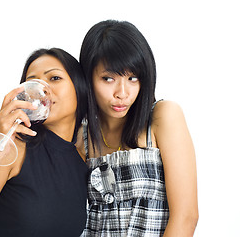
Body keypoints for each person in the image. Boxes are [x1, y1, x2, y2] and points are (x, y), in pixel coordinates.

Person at [77, 20, 198, 236]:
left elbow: (186, 216)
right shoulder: (81, 135)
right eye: (108, 78)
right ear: (88, 78)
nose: (122, 93)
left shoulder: (163, 117)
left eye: (133, 78)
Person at [0, 48, 89, 237]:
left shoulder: (83, 158)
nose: (42, 89)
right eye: (32, 82)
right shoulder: (13, 146)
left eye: (54, 78)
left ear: (79, 87)